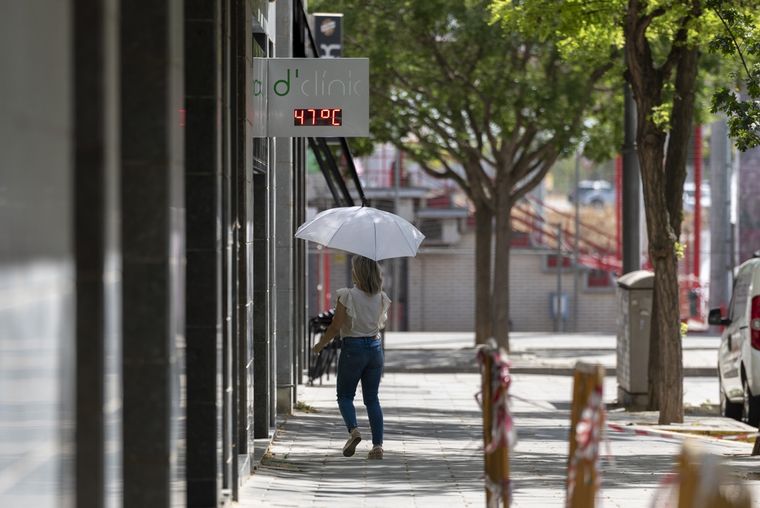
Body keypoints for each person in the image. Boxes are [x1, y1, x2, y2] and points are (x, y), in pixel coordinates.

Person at [312, 255, 391, 460]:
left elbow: (335, 326)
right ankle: (378, 447)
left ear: (358, 271)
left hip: (353, 349)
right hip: (375, 348)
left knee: (345, 396)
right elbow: (379, 323)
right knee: (372, 399)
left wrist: (320, 344)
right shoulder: (381, 297)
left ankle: (354, 431)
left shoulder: (346, 295)